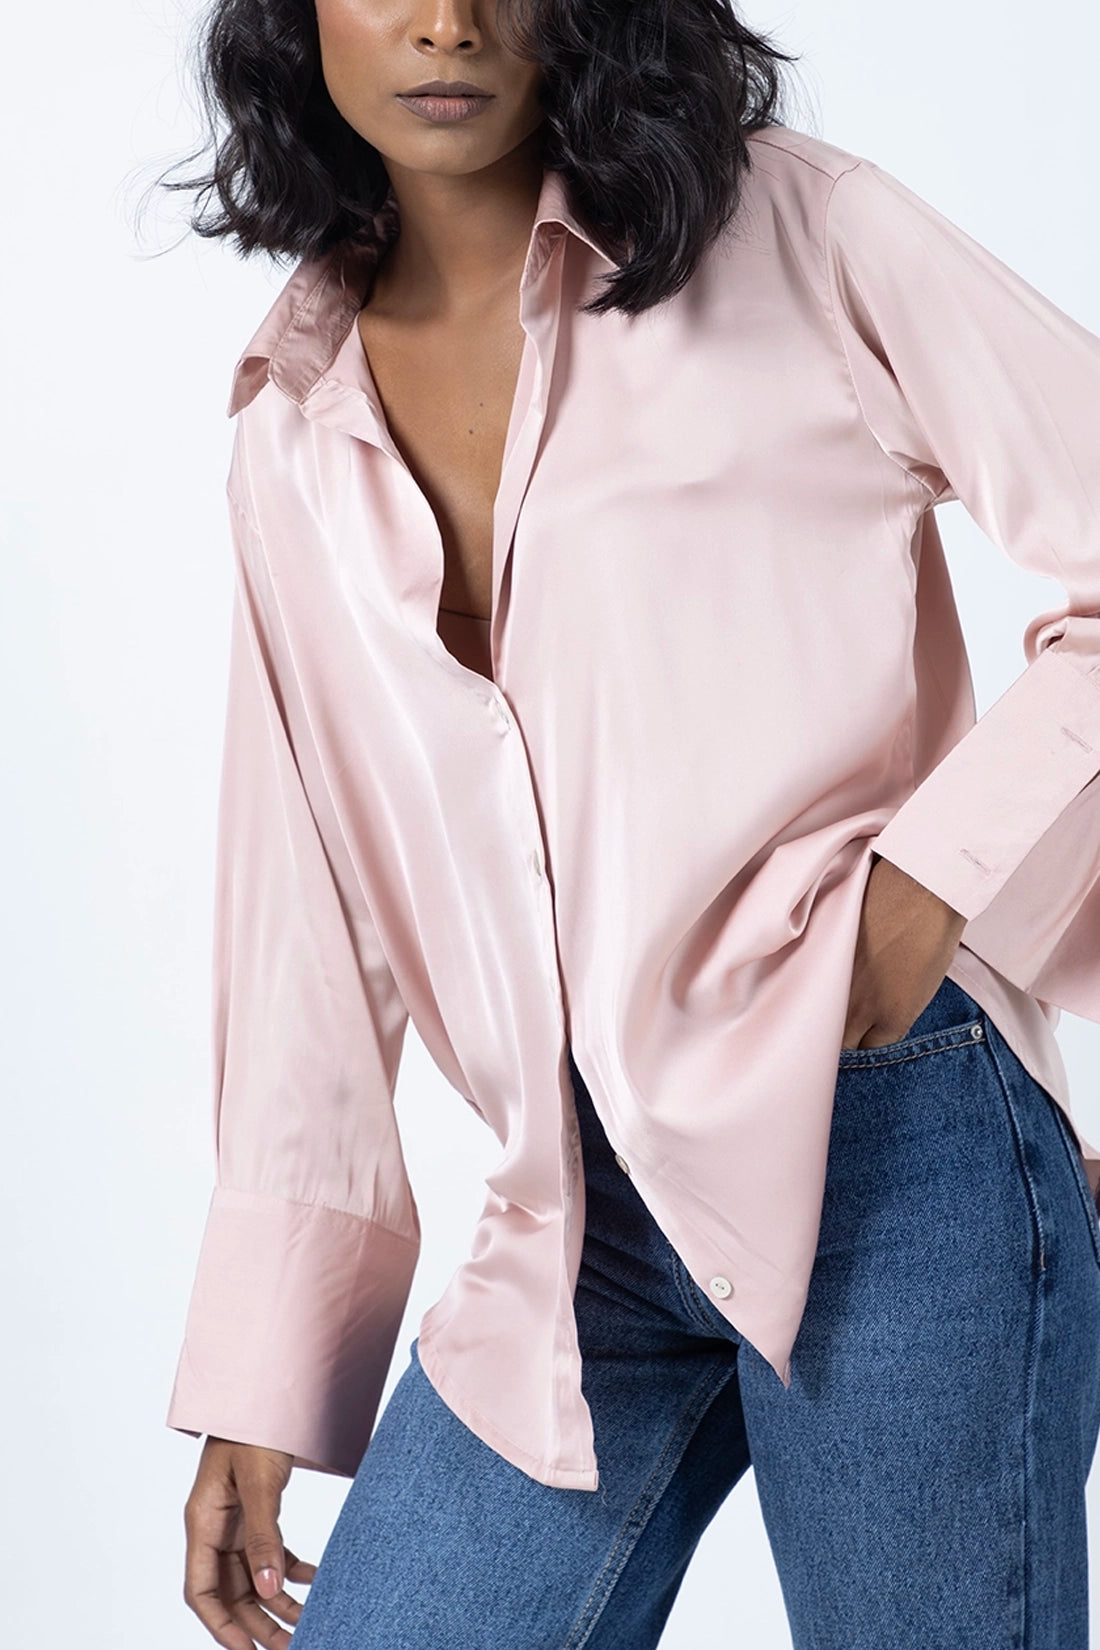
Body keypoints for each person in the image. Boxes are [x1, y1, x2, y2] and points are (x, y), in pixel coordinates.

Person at [154, 0, 1100, 1643]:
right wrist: (265, 1365)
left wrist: (931, 890)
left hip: (891, 1146)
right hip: (570, 1217)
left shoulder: (801, 235)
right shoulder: (291, 425)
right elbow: (301, 903)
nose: (446, 23)